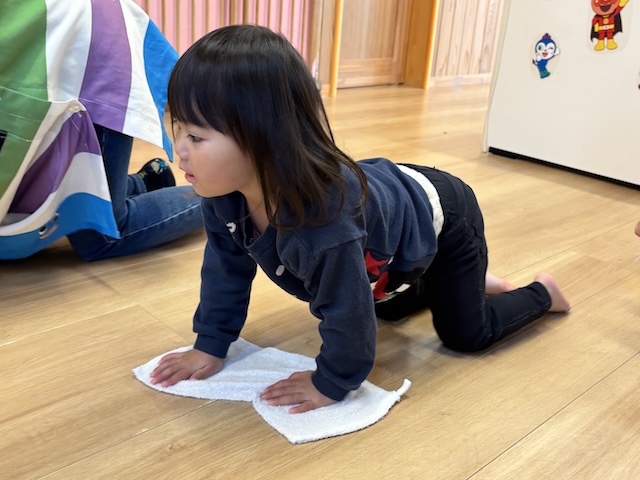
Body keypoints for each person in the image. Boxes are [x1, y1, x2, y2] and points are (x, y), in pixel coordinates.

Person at [150, 25, 570, 413]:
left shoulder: (323, 222)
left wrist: (331, 381)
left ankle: (541, 293)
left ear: (266, 139)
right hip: (391, 222)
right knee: (384, 307)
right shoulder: (222, 195)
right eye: (177, 128)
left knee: (465, 335)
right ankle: (457, 278)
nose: (178, 150)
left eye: (196, 137)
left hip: (445, 215)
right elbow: (225, 270)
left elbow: (346, 313)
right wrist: (210, 344)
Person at [0, 0, 202, 261]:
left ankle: (228, 196)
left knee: (101, 233)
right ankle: (146, 181)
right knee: (68, 201)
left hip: (88, 40)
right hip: (71, 33)